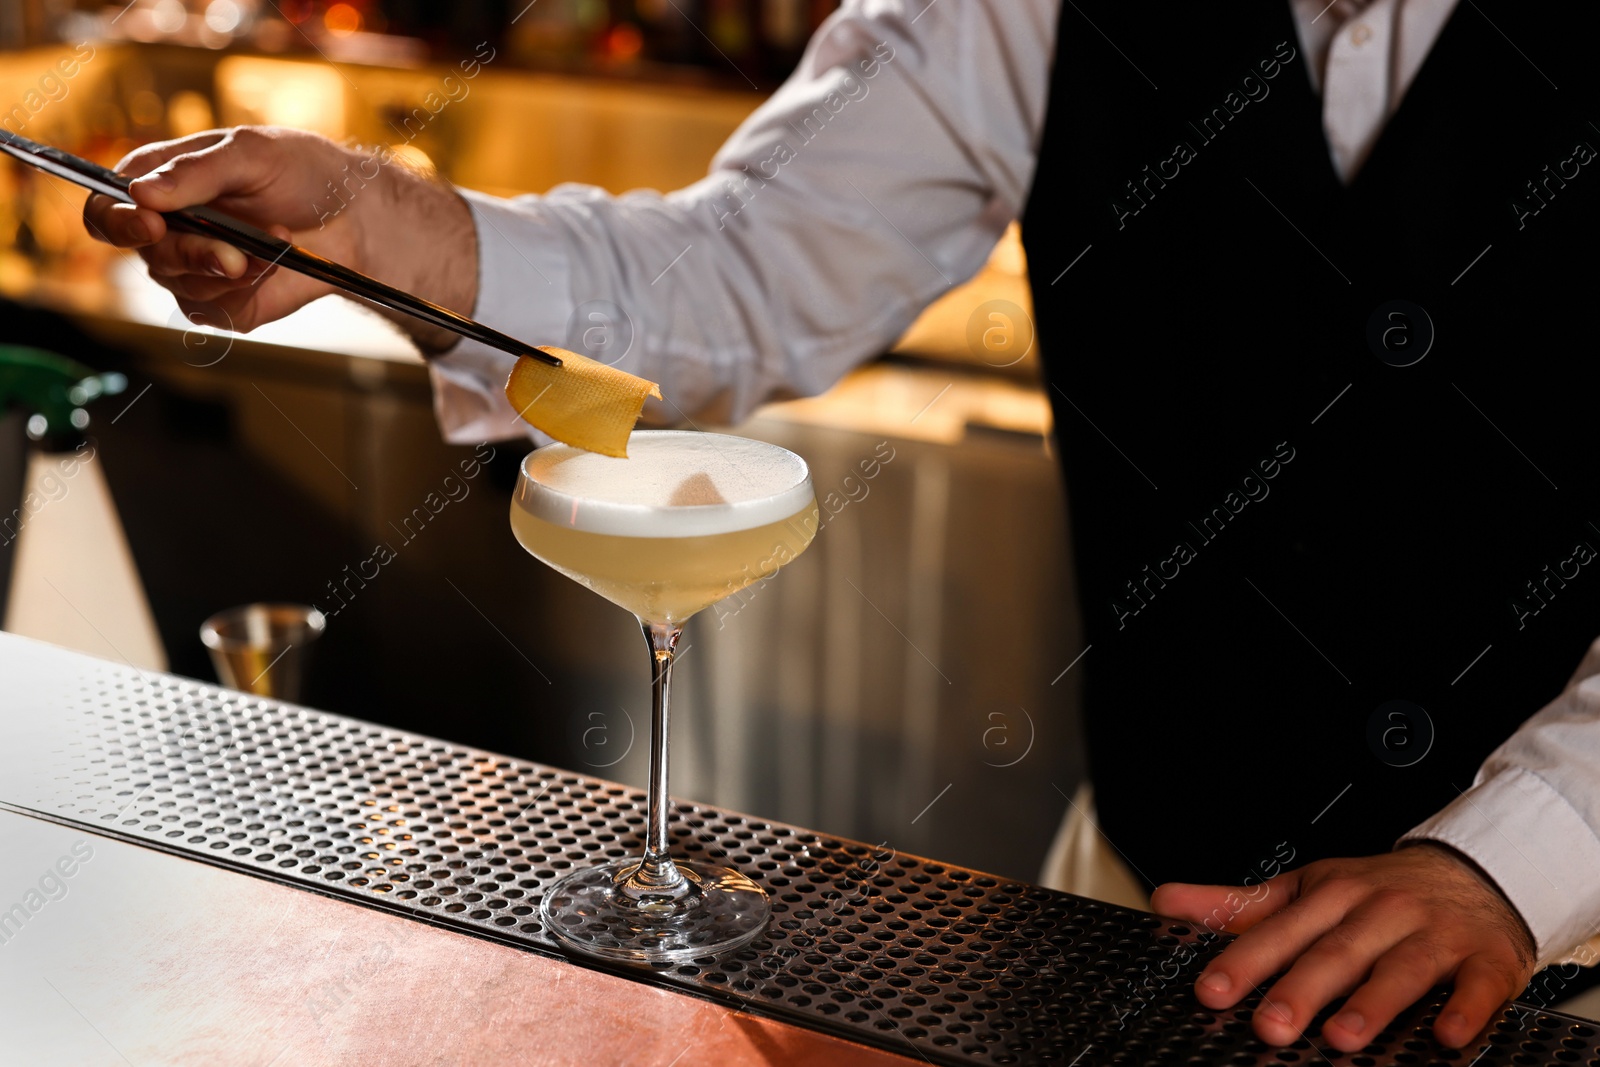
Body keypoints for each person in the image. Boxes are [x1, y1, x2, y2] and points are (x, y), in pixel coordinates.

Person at [83, 0, 1600, 1053]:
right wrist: (386, 222)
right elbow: (743, 271)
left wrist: (1514, 860)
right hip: (1145, 907)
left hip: (1561, 960)